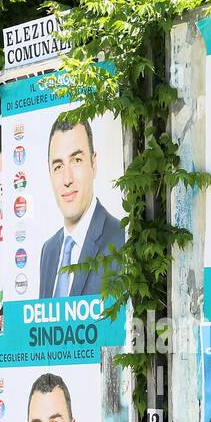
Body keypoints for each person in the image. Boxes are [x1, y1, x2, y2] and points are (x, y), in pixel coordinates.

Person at [36, 116, 125, 298]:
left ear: (94, 164)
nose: (67, 179)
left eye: (76, 160)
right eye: (58, 166)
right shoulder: (48, 250)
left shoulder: (121, 239)